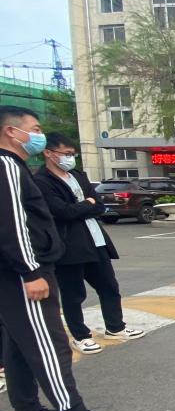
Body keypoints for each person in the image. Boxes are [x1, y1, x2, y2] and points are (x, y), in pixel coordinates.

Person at [0, 105, 119, 411]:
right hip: (24, 273)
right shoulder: (7, 166)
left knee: (18, 346)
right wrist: (30, 271)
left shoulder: (16, 167)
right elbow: (13, 225)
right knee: (49, 344)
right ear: (12, 131)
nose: (39, 135)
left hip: (16, 272)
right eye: (35, 129)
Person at [35, 133, 145, 355]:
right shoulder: (41, 181)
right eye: (66, 154)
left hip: (96, 240)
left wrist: (85, 205)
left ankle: (115, 327)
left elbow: (99, 205)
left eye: (72, 154)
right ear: (49, 153)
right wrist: (87, 204)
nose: (70, 158)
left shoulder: (78, 175)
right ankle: (80, 336)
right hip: (69, 245)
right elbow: (62, 212)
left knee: (109, 286)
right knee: (73, 294)